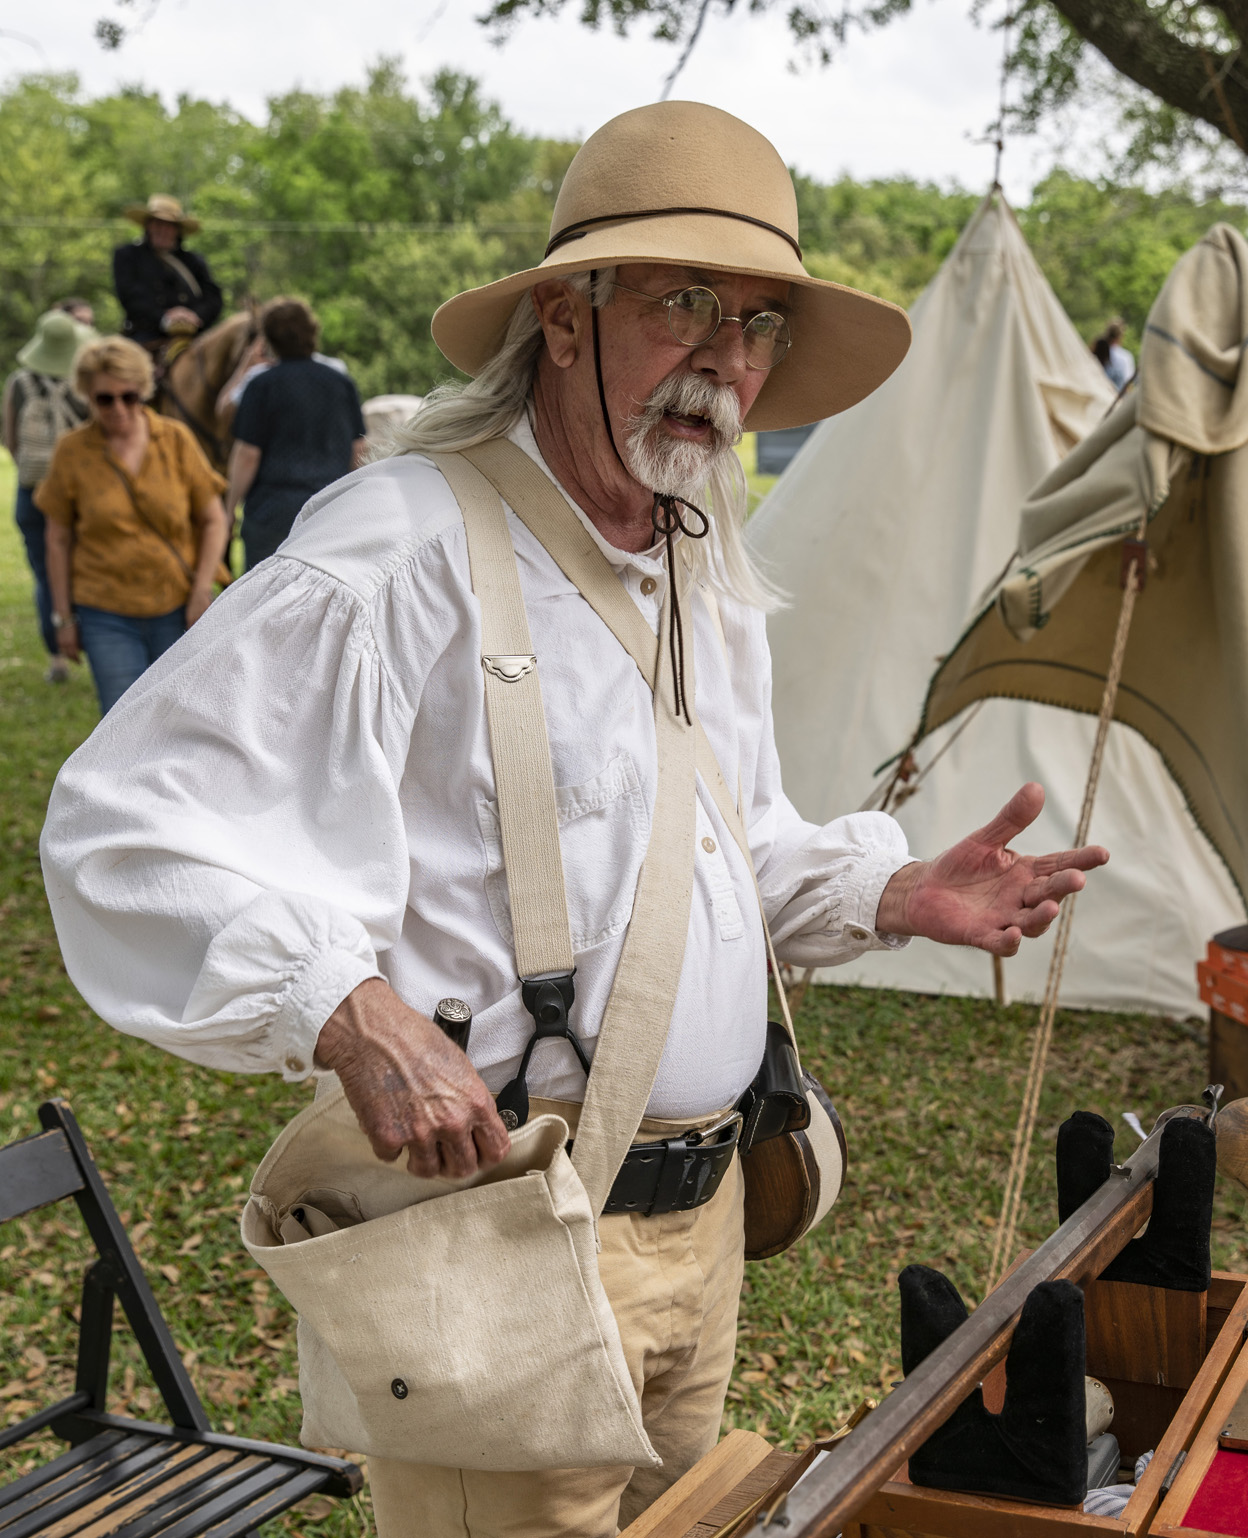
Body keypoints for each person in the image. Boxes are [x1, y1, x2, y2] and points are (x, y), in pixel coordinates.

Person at [40, 103, 1108, 1537]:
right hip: (507, 1240)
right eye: (683, 305)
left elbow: (729, 848)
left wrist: (893, 889)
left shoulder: (700, 564)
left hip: (705, 1225)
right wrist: (349, 1006)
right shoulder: (401, 545)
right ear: (563, 315)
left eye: (758, 325)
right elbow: (121, 825)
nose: (726, 361)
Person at [34, 336, 230, 714]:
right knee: (122, 719)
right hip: (105, 610)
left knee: (178, 716)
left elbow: (213, 519)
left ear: (143, 391)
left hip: (177, 605)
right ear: (87, 396)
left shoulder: (174, 440)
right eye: (104, 399)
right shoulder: (72, 451)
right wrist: (62, 617)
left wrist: (201, 590)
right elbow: (57, 538)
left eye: (129, 397)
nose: (118, 408)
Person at [225, 299, 366, 570]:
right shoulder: (341, 383)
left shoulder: (261, 385)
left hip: (271, 514)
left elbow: (247, 455)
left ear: (269, 340)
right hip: (328, 511)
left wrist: (229, 508)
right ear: (313, 332)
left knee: (262, 601)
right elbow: (358, 449)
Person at [2, 310, 92, 682]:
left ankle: (57, 658)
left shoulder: (19, 382)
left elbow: (10, 437)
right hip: (80, 494)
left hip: (33, 491)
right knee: (87, 570)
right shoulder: (85, 382)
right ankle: (96, 645)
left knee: (45, 573)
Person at [112, 194, 223, 356]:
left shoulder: (194, 261)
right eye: (157, 223)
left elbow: (213, 297)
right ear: (148, 226)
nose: (162, 230)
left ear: (178, 230)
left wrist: (195, 316)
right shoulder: (128, 255)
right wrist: (165, 318)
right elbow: (130, 295)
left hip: (194, 334)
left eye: (169, 225)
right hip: (146, 333)